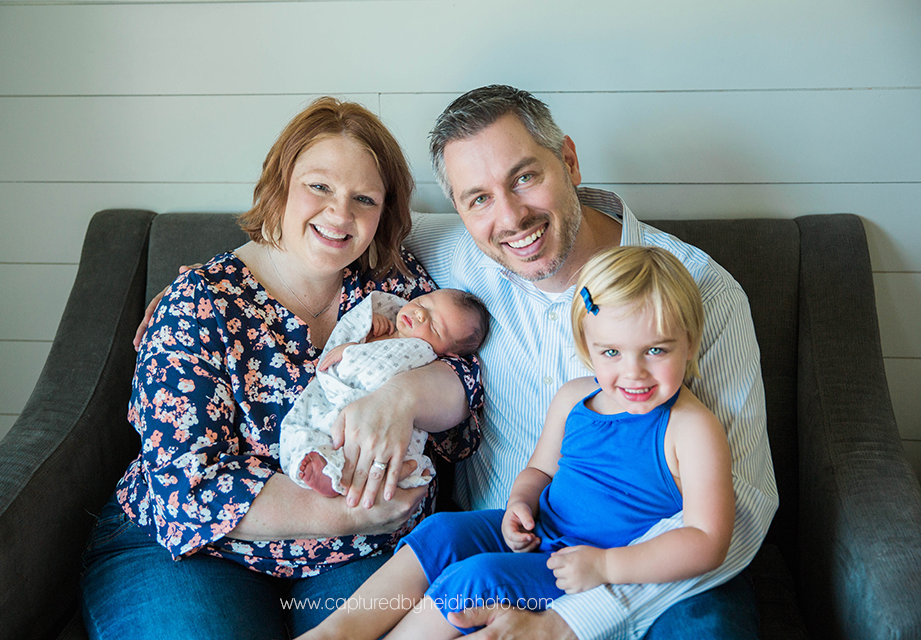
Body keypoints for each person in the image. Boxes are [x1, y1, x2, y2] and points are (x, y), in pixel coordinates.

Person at [135, 85, 779, 639]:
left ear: (569, 161)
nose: (510, 216)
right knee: (446, 555)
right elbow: (327, 227)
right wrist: (199, 288)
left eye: (526, 176)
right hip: (505, 536)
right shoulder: (457, 259)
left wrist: (580, 616)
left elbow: (741, 510)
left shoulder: (698, 291)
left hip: (634, 567)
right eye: (478, 198)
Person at [80, 97, 485, 640]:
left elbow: (464, 396)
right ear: (280, 184)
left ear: (383, 213)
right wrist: (352, 515)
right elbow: (186, 486)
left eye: (363, 198)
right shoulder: (200, 302)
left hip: (357, 554)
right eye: (319, 186)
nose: (340, 215)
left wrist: (405, 395)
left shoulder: (395, 284)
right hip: (198, 550)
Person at [298, 246, 736, 640]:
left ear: (690, 343)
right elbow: (540, 471)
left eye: (657, 351)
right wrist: (520, 504)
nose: (634, 372)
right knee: (443, 531)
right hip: (541, 532)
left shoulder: (691, 428)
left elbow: (707, 539)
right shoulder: (574, 399)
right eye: (612, 353)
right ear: (588, 347)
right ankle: (339, 631)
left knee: (478, 578)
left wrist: (607, 568)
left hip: (585, 568)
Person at [285, 288, 489, 498]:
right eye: (422, 304)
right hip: (338, 398)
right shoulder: (381, 325)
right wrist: (357, 341)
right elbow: (354, 351)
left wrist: (352, 355)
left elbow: (457, 381)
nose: (420, 315)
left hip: (380, 419)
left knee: (390, 457)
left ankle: (338, 476)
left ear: (448, 352)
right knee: (311, 431)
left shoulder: (425, 356)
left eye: (434, 326)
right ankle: (325, 467)